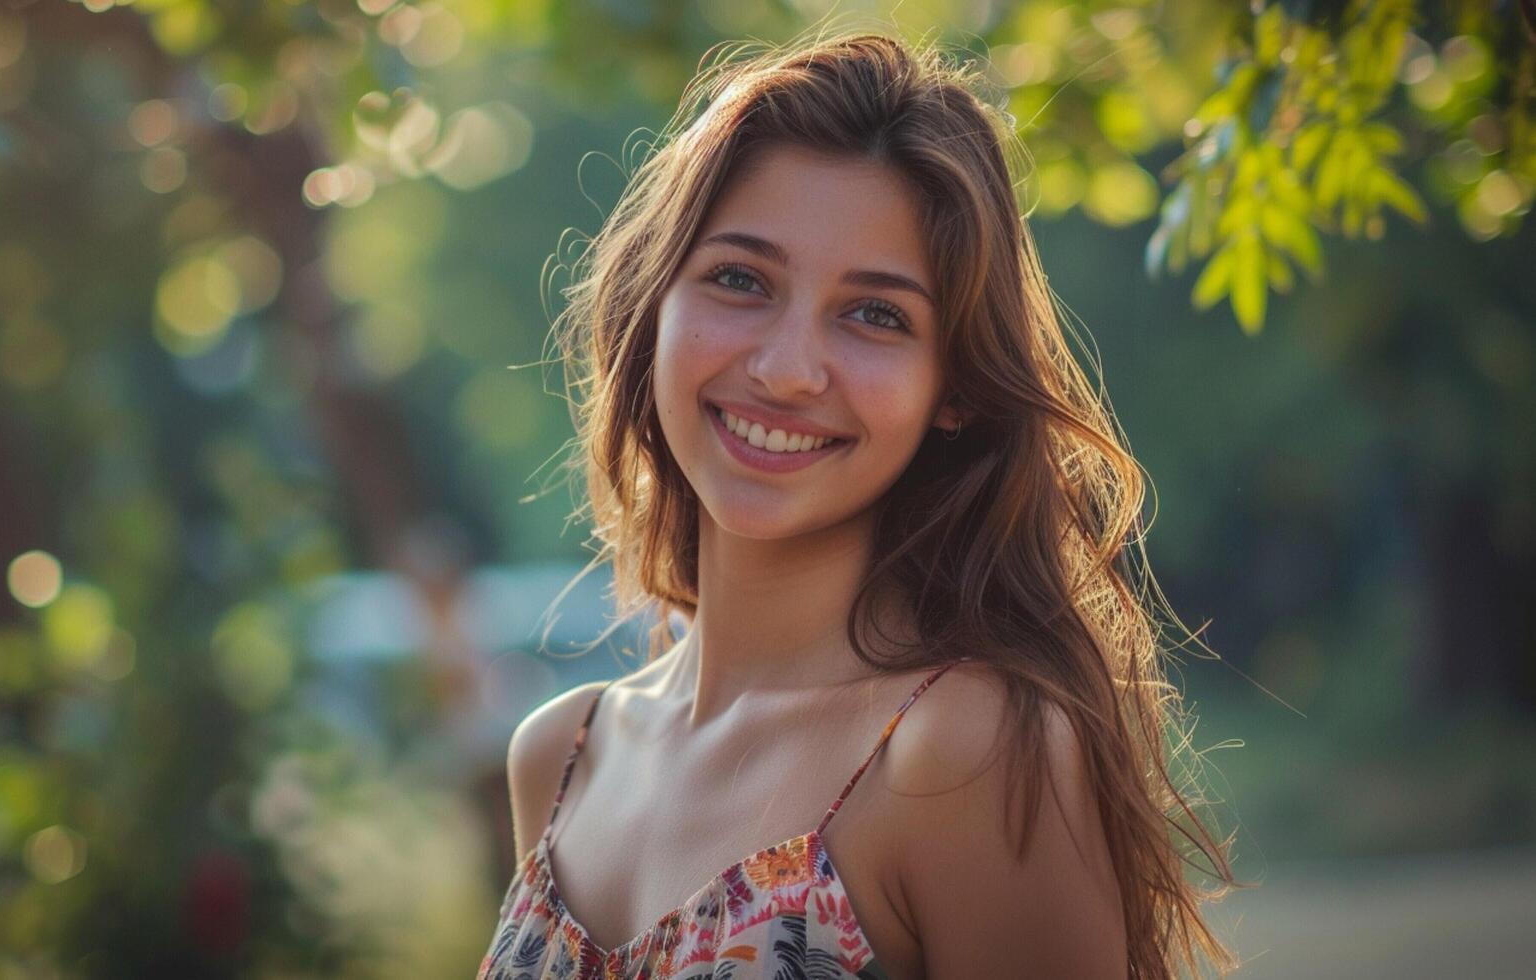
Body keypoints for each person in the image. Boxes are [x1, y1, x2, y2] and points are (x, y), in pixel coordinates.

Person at [478, 28, 1241, 980]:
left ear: (953, 387)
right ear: (652, 302)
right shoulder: (560, 756)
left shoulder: (960, 751)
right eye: (740, 280)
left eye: (874, 314)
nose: (786, 370)